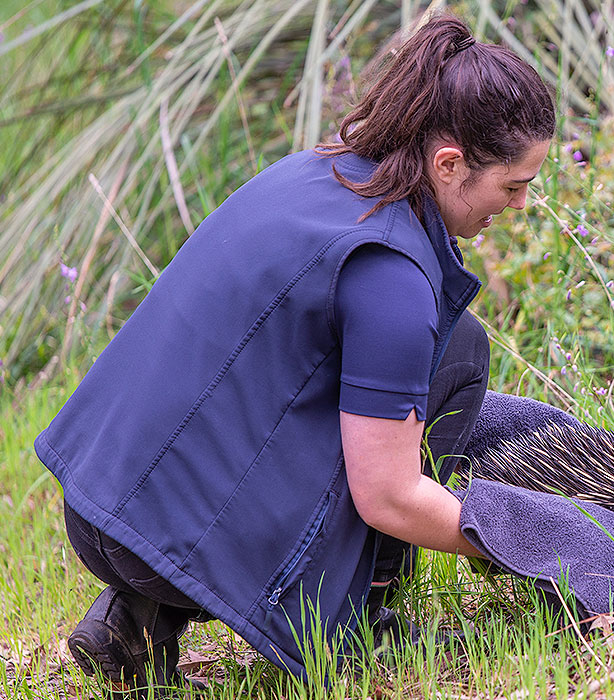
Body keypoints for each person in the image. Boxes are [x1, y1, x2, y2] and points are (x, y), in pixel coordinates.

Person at [34, 13, 556, 693]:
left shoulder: (319, 170)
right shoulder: (392, 273)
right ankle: (352, 622)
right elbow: (390, 497)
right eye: (512, 186)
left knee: (451, 348)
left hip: (97, 499)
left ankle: (137, 618)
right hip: (153, 535)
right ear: (449, 164)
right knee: (457, 360)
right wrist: (523, 541)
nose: (519, 204)